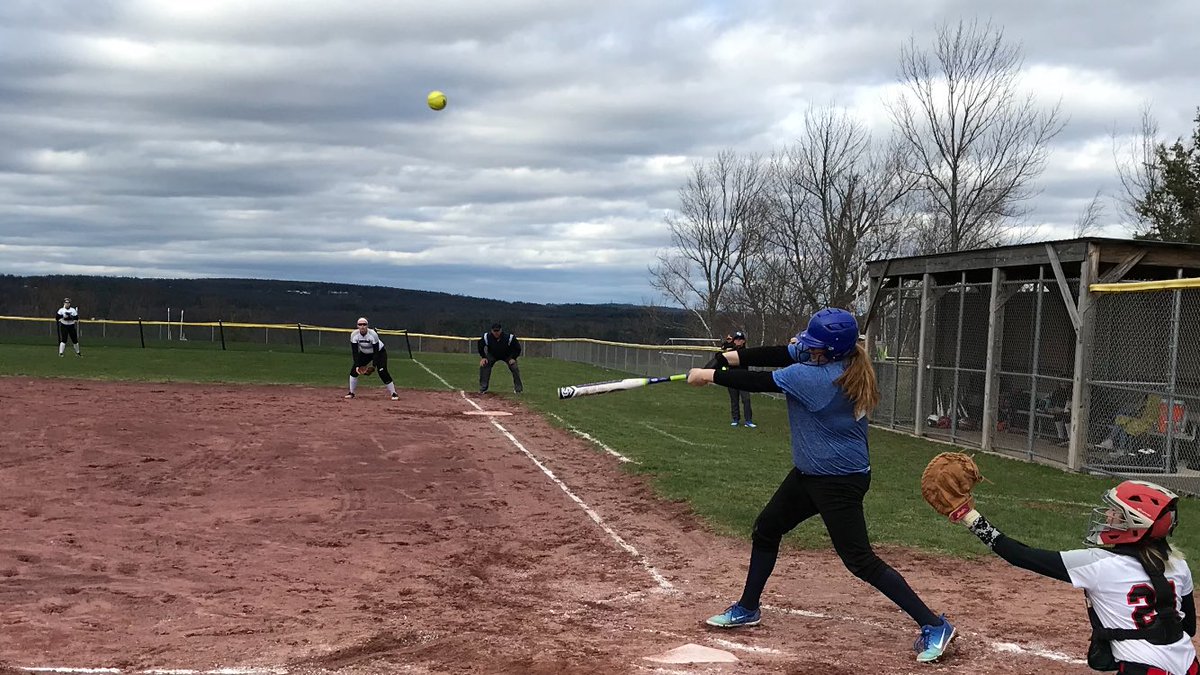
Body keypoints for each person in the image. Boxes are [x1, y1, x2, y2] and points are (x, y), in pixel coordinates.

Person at [686, 308, 956, 663]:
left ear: (830, 351)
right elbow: (779, 352)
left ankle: (934, 624)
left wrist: (709, 374)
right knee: (767, 528)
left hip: (838, 481)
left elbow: (759, 381)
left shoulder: (818, 379)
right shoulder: (837, 358)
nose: (807, 348)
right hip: (811, 473)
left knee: (860, 560)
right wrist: (729, 356)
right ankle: (749, 607)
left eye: (814, 346)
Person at [950, 480, 1196, 674]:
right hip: (1189, 666)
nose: (1108, 517)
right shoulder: (1180, 565)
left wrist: (970, 517)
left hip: (1143, 670)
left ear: (1136, 522)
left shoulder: (1099, 564)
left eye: (1116, 512)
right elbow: (1189, 628)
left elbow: (1020, 555)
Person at [344, 317, 398, 400]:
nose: (362, 326)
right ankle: (351, 393)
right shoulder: (354, 335)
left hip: (379, 352)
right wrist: (357, 365)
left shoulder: (373, 334)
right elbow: (355, 352)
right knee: (354, 371)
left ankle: (394, 393)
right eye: (360, 324)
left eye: (364, 324)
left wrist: (373, 366)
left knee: (382, 371)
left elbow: (376, 351)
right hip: (364, 353)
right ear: (357, 326)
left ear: (367, 326)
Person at [478, 323, 523, 394]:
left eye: (497, 331)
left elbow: (517, 348)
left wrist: (513, 358)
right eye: (494, 331)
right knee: (484, 365)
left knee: (514, 367)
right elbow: (480, 346)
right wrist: (483, 357)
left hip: (507, 355)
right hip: (492, 355)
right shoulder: (486, 337)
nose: (496, 333)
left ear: (501, 330)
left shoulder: (509, 337)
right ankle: (483, 388)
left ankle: (518, 389)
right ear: (491, 331)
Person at [724, 331, 754, 428]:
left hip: (743, 378)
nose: (738, 341)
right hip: (732, 378)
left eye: (740, 340)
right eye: (736, 339)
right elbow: (723, 351)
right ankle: (735, 419)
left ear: (743, 341)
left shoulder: (745, 352)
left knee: (746, 399)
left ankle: (748, 420)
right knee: (734, 400)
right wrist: (728, 343)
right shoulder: (730, 351)